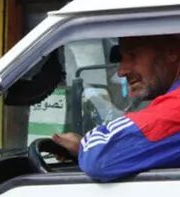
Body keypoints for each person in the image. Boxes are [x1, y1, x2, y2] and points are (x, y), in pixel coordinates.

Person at [51, 33, 180, 181]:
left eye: (133, 56)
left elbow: (99, 158)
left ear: (172, 51)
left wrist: (85, 146)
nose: (121, 71)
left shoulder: (175, 107)